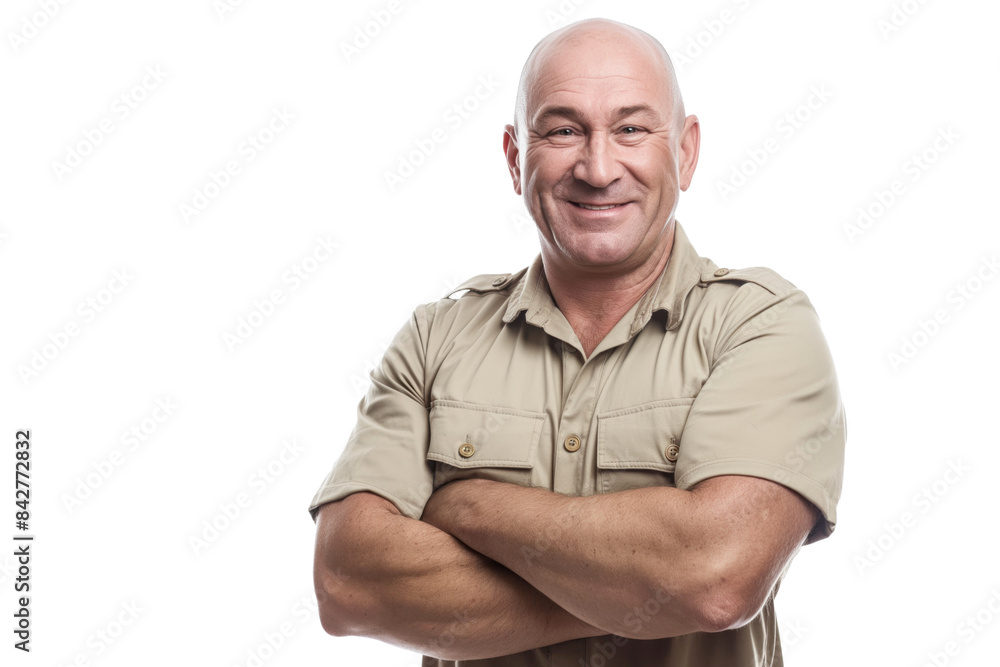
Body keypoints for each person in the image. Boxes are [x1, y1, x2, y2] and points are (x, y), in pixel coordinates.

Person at [308, 17, 846, 667]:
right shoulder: (436, 338)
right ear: (515, 158)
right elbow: (348, 583)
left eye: (630, 128)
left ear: (685, 150)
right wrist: (642, 594)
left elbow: (715, 577)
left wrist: (465, 504)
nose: (597, 167)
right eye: (563, 129)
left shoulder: (759, 326)